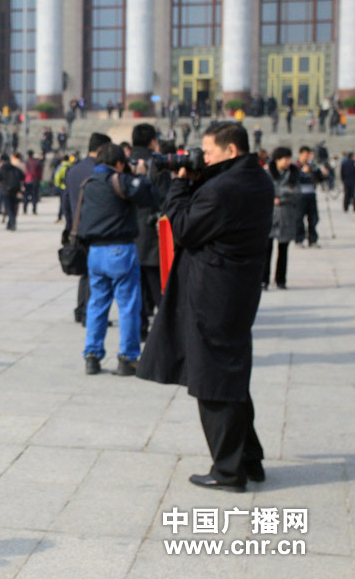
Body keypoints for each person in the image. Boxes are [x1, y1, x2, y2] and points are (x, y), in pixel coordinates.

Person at [137, 122, 274, 492]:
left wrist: (179, 184)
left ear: (231, 151)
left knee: (213, 380)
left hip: (213, 296)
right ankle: (249, 459)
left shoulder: (225, 189)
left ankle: (228, 471)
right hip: (234, 292)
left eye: (210, 151)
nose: (204, 157)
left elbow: (183, 228)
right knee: (230, 376)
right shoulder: (256, 179)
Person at [77, 144, 156, 376]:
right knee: (128, 305)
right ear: (119, 163)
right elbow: (148, 197)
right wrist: (141, 175)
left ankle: (92, 355)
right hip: (120, 249)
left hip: (95, 252)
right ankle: (128, 357)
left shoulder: (88, 183)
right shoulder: (119, 180)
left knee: (97, 305)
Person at [63, 132, 112, 325]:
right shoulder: (99, 171)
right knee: (96, 273)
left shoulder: (74, 170)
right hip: (95, 227)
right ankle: (90, 315)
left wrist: (69, 225)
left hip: (77, 226)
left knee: (86, 271)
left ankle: (81, 308)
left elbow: (66, 201)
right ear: (101, 149)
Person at [129, 123, 172, 341]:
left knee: (135, 293)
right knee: (160, 292)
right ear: (152, 141)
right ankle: (167, 336)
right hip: (153, 238)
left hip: (129, 237)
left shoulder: (124, 163)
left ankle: (139, 332)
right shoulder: (158, 164)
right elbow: (166, 201)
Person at [263, 147, 299, 290]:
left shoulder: (294, 174)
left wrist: (279, 197)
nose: (287, 161)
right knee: (266, 250)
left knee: (283, 250)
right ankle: (263, 280)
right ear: (277, 159)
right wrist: (280, 194)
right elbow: (265, 191)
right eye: (285, 158)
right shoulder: (267, 174)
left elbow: (296, 193)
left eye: (289, 158)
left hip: (286, 215)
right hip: (270, 216)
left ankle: (281, 280)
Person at [294, 146, 320, 247]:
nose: (307, 157)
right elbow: (293, 179)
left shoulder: (312, 166)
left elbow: (320, 179)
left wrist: (321, 172)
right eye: (305, 155)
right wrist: (302, 172)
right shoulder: (295, 166)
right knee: (299, 219)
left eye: (308, 155)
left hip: (311, 195)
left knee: (314, 218)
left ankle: (313, 240)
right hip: (300, 196)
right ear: (300, 155)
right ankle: (299, 239)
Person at [0, 152, 24, 231]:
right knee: (13, 208)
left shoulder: (3, 168)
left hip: (6, 191)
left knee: (8, 208)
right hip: (15, 190)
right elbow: (22, 176)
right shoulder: (15, 167)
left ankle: (12, 223)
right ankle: (10, 224)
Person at [22, 150, 42, 215]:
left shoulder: (25, 162)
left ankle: (25, 210)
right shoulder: (37, 162)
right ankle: (34, 210)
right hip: (35, 180)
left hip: (27, 180)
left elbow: (23, 172)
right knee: (34, 196)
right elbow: (40, 172)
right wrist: (39, 179)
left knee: (26, 196)